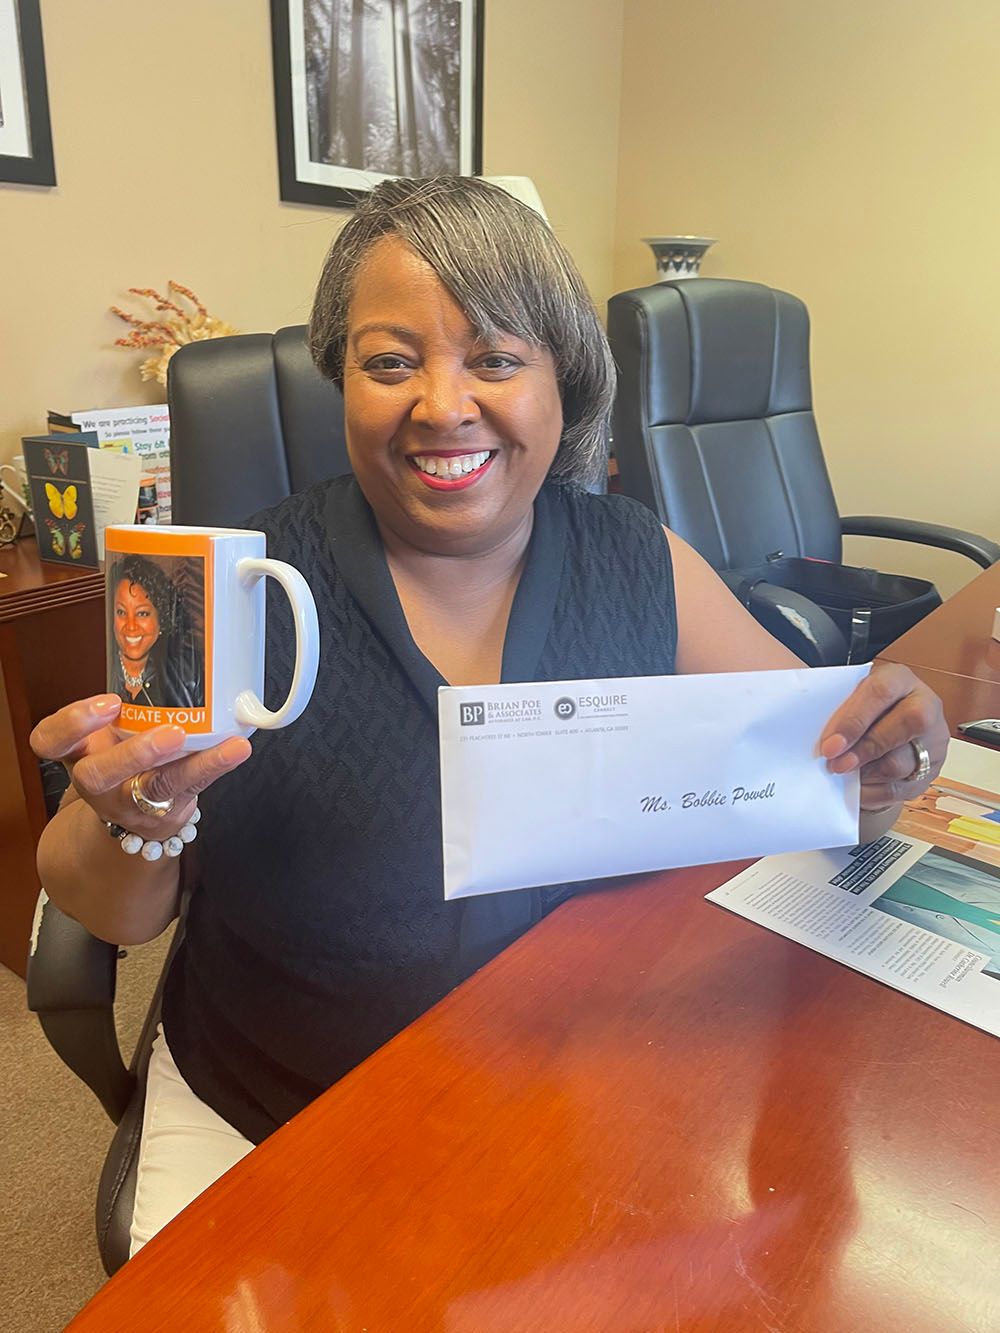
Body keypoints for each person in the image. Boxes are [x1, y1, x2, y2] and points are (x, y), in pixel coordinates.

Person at [31, 177, 950, 1255]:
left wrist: (882, 769)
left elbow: (821, 772)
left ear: (564, 381)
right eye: (388, 361)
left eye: (497, 359)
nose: (442, 403)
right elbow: (116, 912)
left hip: (582, 1104)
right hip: (292, 1108)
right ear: (340, 382)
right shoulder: (240, 585)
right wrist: (130, 812)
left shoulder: (637, 559)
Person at [108, 553, 203, 709]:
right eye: (121, 612)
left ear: (162, 619)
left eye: (142, 613)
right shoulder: (96, 665)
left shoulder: (187, 670)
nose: (130, 626)